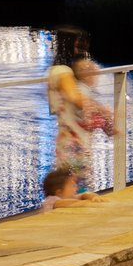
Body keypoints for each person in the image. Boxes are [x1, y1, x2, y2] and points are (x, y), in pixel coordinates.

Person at [46, 27, 114, 190]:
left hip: (73, 138)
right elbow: (75, 98)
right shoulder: (62, 71)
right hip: (72, 140)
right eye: (77, 46)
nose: (80, 51)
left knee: (74, 182)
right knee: (76, 183)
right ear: (67, 46)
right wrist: (101, 109)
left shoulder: (61, 71)